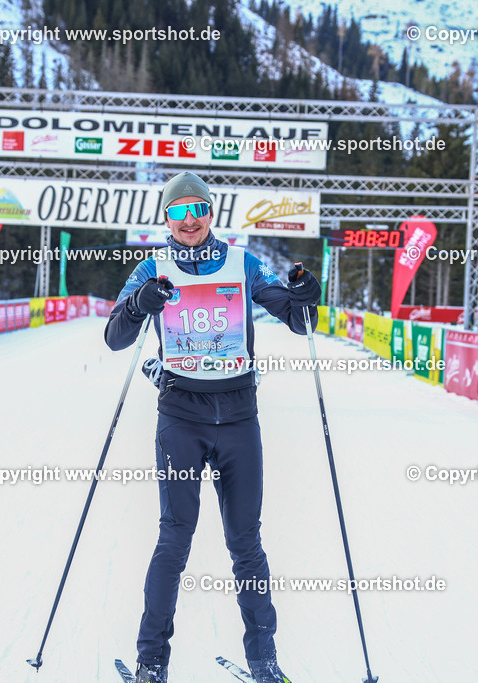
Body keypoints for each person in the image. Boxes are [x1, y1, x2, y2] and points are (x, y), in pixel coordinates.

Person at [104, 172, 320, 683]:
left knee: (246, 543)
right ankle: (151, 662)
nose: (189, 220)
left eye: (197, 209)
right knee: (174, 539)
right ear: (166, 218)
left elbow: (299, 321)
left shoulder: (243, 264)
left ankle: (264, 662)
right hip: (181, 418)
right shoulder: (151, 269)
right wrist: (138, 305)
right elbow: (115, 338)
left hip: (239, 418)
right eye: (178, 211)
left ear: (209, 212)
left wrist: (307, 295)